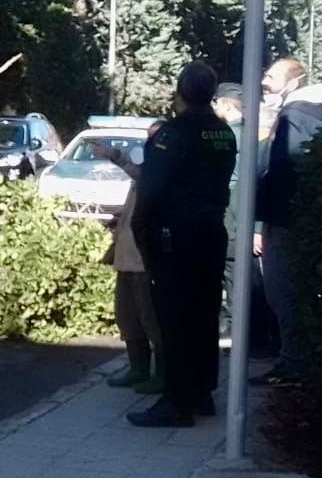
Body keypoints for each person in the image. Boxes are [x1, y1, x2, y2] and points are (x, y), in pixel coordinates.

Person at [127, 61, 237, 428]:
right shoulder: (224, 133)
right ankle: (202, 392)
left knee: (173, 318)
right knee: (205, 315)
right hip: (211, 234)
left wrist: (143, 236)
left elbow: (152, 191)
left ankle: (175, 401)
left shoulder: (173, 134)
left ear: (180, 91)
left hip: (176, 238)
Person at [253, 58, 322, 387]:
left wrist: (264, 211)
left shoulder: (296, 114)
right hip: (295, 220)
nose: (265, 85)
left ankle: (293, 363)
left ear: (293, 83)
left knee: (282, 291)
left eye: (270, 78)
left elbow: (284, 169)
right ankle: (294, 359)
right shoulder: (303, 112)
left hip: (285, 221)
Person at [94, 122, 165, 393]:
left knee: (151, 316)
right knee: (126, 314)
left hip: (143, 258)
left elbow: (142, 176)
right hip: (126, 254)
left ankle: (160, 374)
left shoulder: (159, 171)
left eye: (154, 139)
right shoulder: (149, 171)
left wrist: (115, 156)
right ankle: (137, 367)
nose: (150, 145)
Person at [213, 83, 280, 359]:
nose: (213, 109)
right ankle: (250, 338)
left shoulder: (230, 135)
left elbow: (242, 183)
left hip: (235, 217)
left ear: (226, 105)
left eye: (216, 103)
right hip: (241, 219)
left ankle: (252, 341)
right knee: (244, 279)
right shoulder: (252, 135)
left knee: (239, 281)